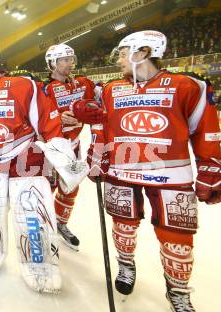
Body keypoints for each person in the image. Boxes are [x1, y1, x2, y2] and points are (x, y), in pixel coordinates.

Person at [87, 30, 221, 311]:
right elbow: (102, 130)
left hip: (171, 176)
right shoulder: (112, 89)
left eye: (124, 53)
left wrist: (211, 169)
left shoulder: (187, 86)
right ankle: (126, 265)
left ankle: (178, 290)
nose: (119, 60)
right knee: (123, 227)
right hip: (122, 173)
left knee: (177, 239)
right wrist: (97, 157)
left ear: (144, 53)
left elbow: (206, 130)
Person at [0, 46, 86, 293]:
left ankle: (40, 266)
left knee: (33, 215)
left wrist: (65, 162)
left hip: (27, 161)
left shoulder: (24, 85)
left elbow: (47, 123)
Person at [43, 43, 103, 250]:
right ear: (53, 63)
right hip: (52, 147)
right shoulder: (45, 89)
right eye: (65, 60)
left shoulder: (84, 84)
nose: (71, 63)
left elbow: (106, 95)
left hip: (75, 145)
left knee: (71, 187)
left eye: (71, 59)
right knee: (46, 189)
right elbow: (36, 118)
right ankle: (43, 227)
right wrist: (57, 118)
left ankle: (61, 223)